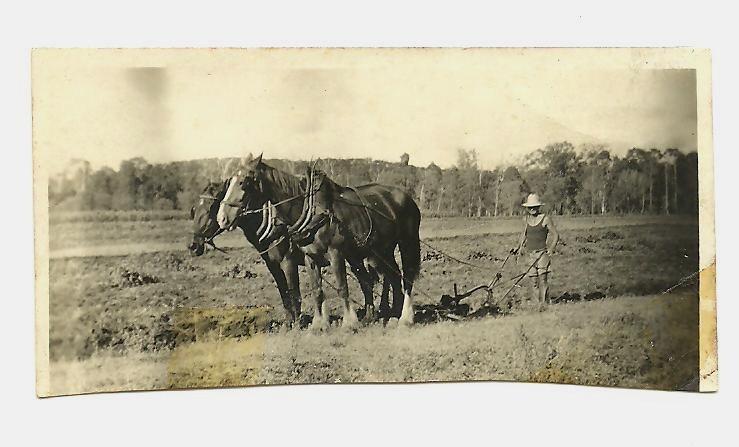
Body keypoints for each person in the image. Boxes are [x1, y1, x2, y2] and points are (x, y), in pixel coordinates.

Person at [512, 193, 560, 309]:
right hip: (530, 254)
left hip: (542, 254)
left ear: (539, 207)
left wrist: (552, 248)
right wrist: (517, 247)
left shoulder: (545, 219)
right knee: (533, 281)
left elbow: (556, 235)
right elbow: (523, 235)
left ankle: (543, 304)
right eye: (530, 207)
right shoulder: (526, 219)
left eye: (535, 207)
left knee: (543, 279)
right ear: (527, 208)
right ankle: (537, 304)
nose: (532, 209)